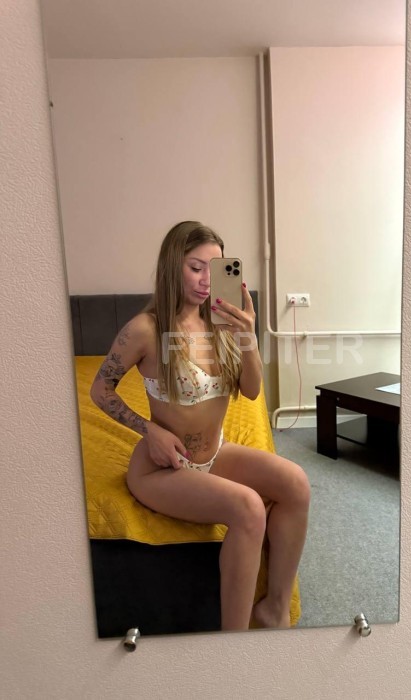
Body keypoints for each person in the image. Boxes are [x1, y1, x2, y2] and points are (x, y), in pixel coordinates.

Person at [90, 221, 310, 631]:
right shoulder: (145, 330)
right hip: (162, 468)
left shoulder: (223, 324)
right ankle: (233, 640)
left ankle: (275, 608)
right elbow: (100, 390)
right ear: (172, 265)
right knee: (248, 507)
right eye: (196, 268)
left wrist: (248, 336)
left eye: (216, 268)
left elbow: (251, 391)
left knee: (296, 483)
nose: (208, 280)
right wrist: (149, 430)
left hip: (215, 452)